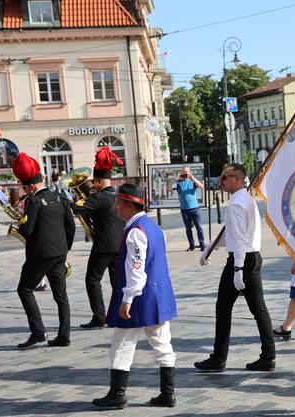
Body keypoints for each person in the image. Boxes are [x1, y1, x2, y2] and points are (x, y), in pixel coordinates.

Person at [92, 183, 178, 409]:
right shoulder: (155, 227)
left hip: (139, 298)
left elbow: (135, 269)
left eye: (119, 203)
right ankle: (167, 393)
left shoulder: (135, 233)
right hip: (158, 296)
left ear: (129, 205)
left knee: (121, 344)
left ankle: (117, 395)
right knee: (162, 343)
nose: (116, 208)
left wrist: (127, 300)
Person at [195, 163, 276, 372]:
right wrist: (209, 249)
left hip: (242, 259)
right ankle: (268, 356)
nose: (220, 181)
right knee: (259, 309)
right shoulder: (244, 200)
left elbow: (239, 239)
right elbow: (230, 232)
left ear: (237, 179)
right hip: (252, 257)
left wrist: (238, 269)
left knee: (223, 307)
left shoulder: (237, 204)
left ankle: (219, 358)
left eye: (224, 178)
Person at [13, 153, 75, 349]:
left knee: (24, 289)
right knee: (61, 295)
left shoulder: (33, 201)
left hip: (40, 255)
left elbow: (27, 230)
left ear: (31, 186)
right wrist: (65, 249)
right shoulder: (59, 196)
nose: (25, 190)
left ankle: (38, 332)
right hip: (59, 253)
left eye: (24, 187)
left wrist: (20, 221)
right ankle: (64, 335)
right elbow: (70, 226)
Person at [72, 147, 125, 330]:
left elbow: (76, 208)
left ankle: (99, 317)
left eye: (95, 181)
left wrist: (65, 201)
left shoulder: (100, 197)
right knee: (116, 281)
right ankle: (118, 314)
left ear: (101, 180)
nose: (93, 184)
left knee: (92, 280)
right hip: (120, 243)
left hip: (103, 245)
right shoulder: (117, 194)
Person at [171, 166, 205, 251]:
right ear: (181, 172)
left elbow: (201, 186)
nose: (186, 174)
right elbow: (170, 188)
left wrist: (192, 177)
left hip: (195, 208)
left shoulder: (192, 182)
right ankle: (191, 245)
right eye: (184, 172)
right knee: (188, 228)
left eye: (187, 172)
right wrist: (175, 179)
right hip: (184, 209)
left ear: (190, 172)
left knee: (198, 227)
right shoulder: (179, 183)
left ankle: (202, 244)